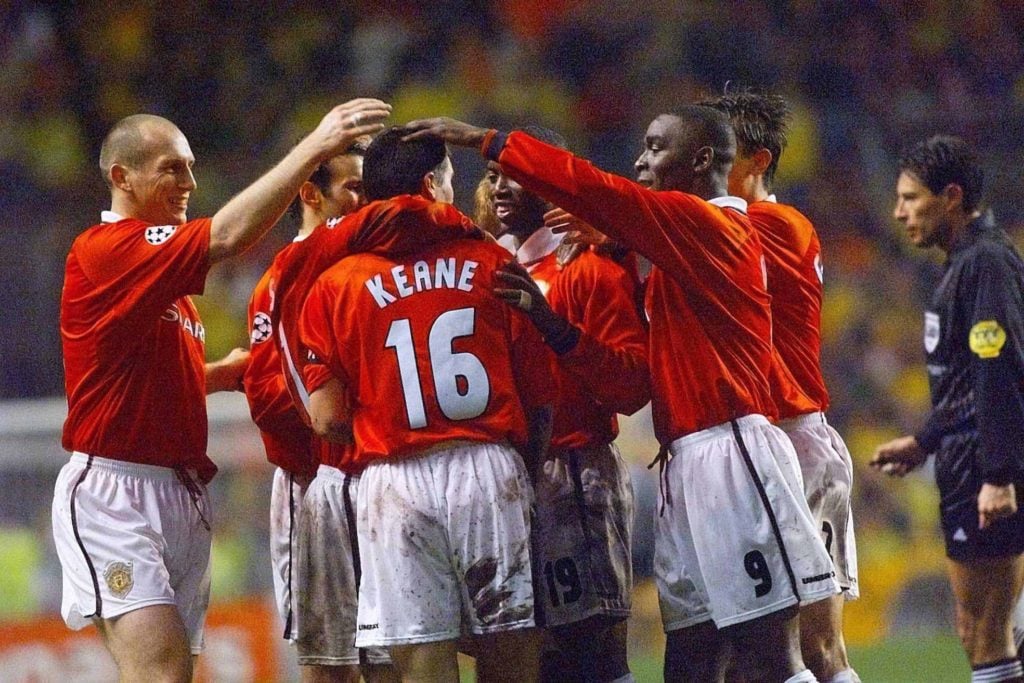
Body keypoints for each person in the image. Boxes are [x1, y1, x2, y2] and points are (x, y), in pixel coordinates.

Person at [404, 110, 837, 682]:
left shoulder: (713, 225)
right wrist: (613, 241)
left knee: (769, 656)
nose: (640, 161)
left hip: (732, 449)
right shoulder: (679, 240)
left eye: (656, 148)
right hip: (682, 457)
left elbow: (596, 188)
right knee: (690, 657)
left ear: (702, 160)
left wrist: (488, 141)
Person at [53, 99, 390, 682]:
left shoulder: (169, 289)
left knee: (174, 676)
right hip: (115, 492)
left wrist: (217, 375)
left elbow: (125, 377)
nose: (190, 183)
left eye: (189, 166)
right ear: (121, 177)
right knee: (159, 673)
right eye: (171, 169)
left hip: (179, 490)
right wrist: (317, 144)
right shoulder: (106, 252)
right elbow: (229, 235)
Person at [298, 128, 554, 682]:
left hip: (391, 480)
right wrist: (526, 471)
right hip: (487, 468)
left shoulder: (334, 283)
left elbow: (326, 419)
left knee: (420, 659)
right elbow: (538, 394)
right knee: (509, 653)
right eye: (450, 178)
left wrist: (382, 419)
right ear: (430, 182)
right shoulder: (492, 261)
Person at [479, 124, 649, 682]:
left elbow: (629, 386)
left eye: (517, 176)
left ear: (551, 185)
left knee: (595, 655)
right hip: (506, 482)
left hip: (575, 473)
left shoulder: (590, 269)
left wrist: (553, 327)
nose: (501, 187)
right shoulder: (486, 273)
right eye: (493, 174)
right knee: (537, 659)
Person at [703, 90, 860, 683]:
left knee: (811, 652)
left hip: (792, 442)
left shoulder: (771, 225)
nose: (710, 169)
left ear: (758, 161)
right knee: (777, 654)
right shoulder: (765, 224)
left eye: (723, 155)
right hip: (782, 442)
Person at [872, 135, 1024, 683]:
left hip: (985, 466)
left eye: (911, 198)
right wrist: (925, 440)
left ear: (952, 197)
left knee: (985, 627)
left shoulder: (985, 262)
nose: (899, 211)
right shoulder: (964, 263)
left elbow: (997, 369)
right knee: (979, 625)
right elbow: (964, 383)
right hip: (966, 458)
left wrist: (1000, 475)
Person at [243, 138, 396, 682]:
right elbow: (268, 393)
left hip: (376, 476)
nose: (364, 200)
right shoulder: (282, 279)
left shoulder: (371, 272)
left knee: (390, 652)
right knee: (331, 660)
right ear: (310, 193)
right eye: (352, 186)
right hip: (317, 481)